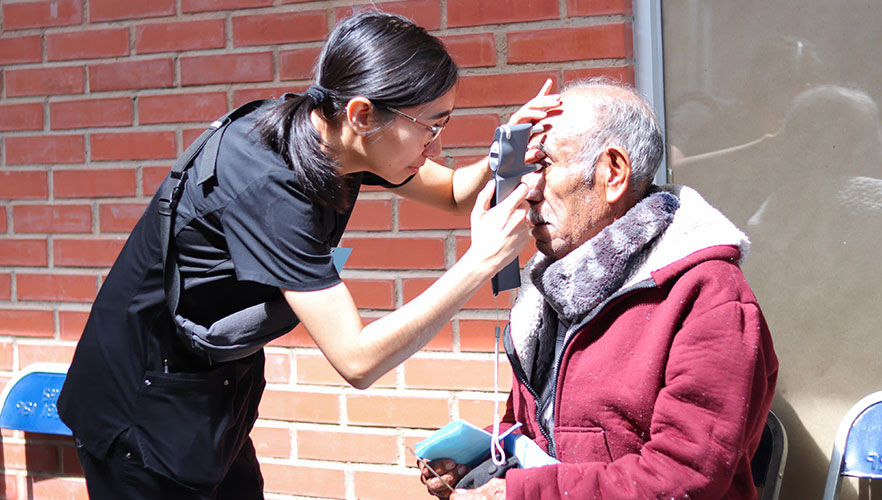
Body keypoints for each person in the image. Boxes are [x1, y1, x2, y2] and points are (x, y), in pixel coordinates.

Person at [58, 12, 559, 500]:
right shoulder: (272, 190)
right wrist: (480, 263)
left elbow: (451, 192)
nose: (436, 144)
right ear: (363, 114)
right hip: (139, 409)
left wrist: (508, 146)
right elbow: (357, 360)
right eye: (431, 125)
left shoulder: (328, 131)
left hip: (210, 389)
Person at [419, 79, 779, 499]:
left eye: (544, 166)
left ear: (613, 173)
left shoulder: (708, 294)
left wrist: (519, 494)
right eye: (524, 170)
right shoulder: (548, 289)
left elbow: (684, 477)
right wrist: (476, 461)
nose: (528, 190)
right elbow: (535, 429)